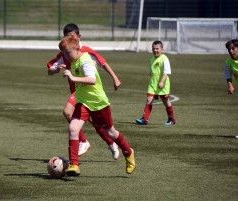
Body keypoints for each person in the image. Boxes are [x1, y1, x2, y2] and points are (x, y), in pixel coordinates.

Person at [58, 36, 135, 176]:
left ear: (77, 49)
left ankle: (128, 152)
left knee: (110, 132)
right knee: (73, 128)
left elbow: (92, 80)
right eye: (63, 53)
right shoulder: (74, 60)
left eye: (67, 53)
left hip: (99, 104)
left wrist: (73, 78)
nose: (65, 56)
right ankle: (74, 164)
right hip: (83, 103)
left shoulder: (85, 60)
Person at [47, 23, 121, 159]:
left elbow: (103, 63)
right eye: (67, 37)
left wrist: (115, 78)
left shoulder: (86, 51)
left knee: (72, 113)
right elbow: (50, 70)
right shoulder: (64, 53)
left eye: (72, 37)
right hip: (79, 93)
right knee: (89, 120)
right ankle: (103, 143)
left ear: (78, 37)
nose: (70, 41)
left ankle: (95, 142)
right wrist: (55, 70)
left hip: (88, 91)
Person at [136, 40, 176, 126]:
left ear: (162, 49)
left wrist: (161, 82)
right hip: (153, 84)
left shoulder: (164, 59)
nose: (155, 50)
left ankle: (171, 119)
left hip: (163, 84)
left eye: (157, 49)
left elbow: (166, 72)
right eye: (153, 49)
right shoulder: (152, 59)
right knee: (149, 100)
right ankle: (145, 119)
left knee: (166, 101)